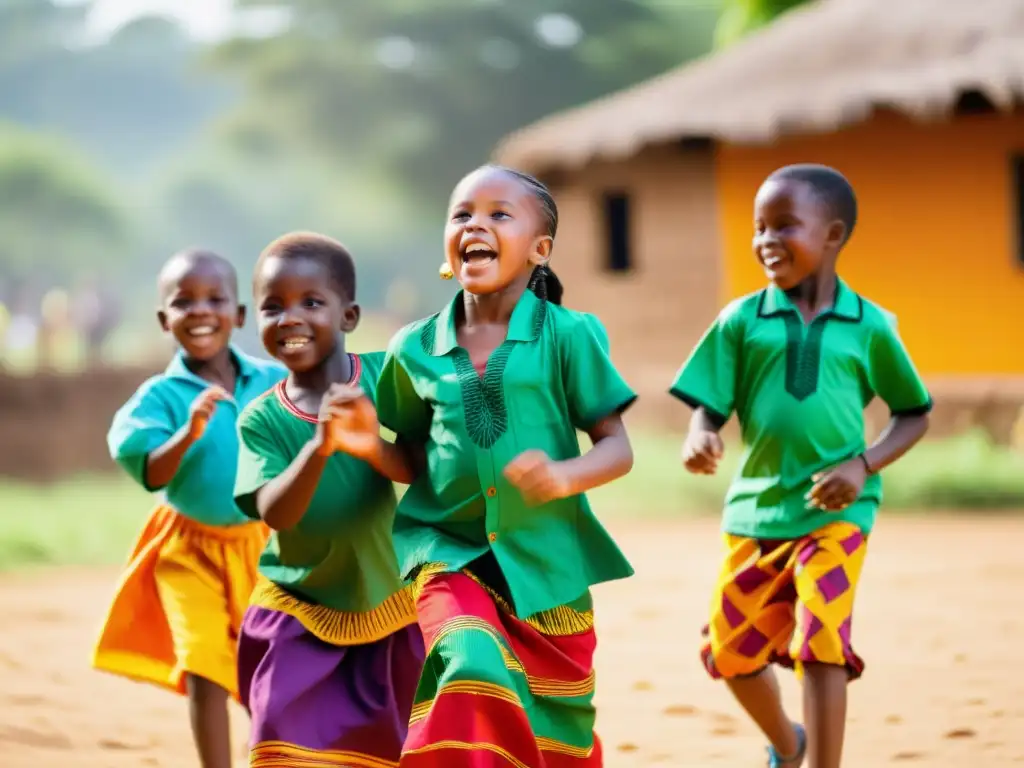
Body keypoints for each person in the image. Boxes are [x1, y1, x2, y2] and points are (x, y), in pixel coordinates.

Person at [371, 165, 637, 766]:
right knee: (469, 664)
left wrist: (566, 475)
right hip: (449, 555)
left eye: (499, 214)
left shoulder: (569, 335)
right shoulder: (410, 348)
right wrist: (366, 448)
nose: (475, 225)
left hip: (548, 567)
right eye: (462, 213)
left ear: (539, 250)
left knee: (557, 737)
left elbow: (616, 445)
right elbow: (413, 457)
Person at [671, 164, 932, 768]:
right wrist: (699, 435)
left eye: (784, 226)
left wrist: (864, 465)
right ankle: (790, 745)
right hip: (755, 511)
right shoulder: (741, 320)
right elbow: (709, 408)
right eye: (759, 227)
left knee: (821, 642)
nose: (766, 240)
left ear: (833, 235)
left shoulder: (870, 326)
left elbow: (914, 413)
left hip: (835, 513)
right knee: (731, 653)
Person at [233, 232, 424, 766]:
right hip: (297, 610)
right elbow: (275, 512)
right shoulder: (261, 419)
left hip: (388, 603)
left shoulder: (387, 377)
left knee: (394, 747)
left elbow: (420, 467)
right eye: (274, 307)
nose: (290, 318)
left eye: (311, 302)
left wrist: (371, 449)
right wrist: (320, 446)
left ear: (349, 315)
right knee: (281, 737)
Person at [94, 249, 285, 768]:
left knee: (266, 665)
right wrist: (189, 432)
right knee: (204, 665)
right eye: (184, 302)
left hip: (261, 546)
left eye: (214, 299)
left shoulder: (271, 381)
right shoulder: (158, 396)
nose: (200, 311)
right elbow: (151, 471)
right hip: (188, 549)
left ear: (239, 315)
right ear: (165, 320)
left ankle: (272, 755)